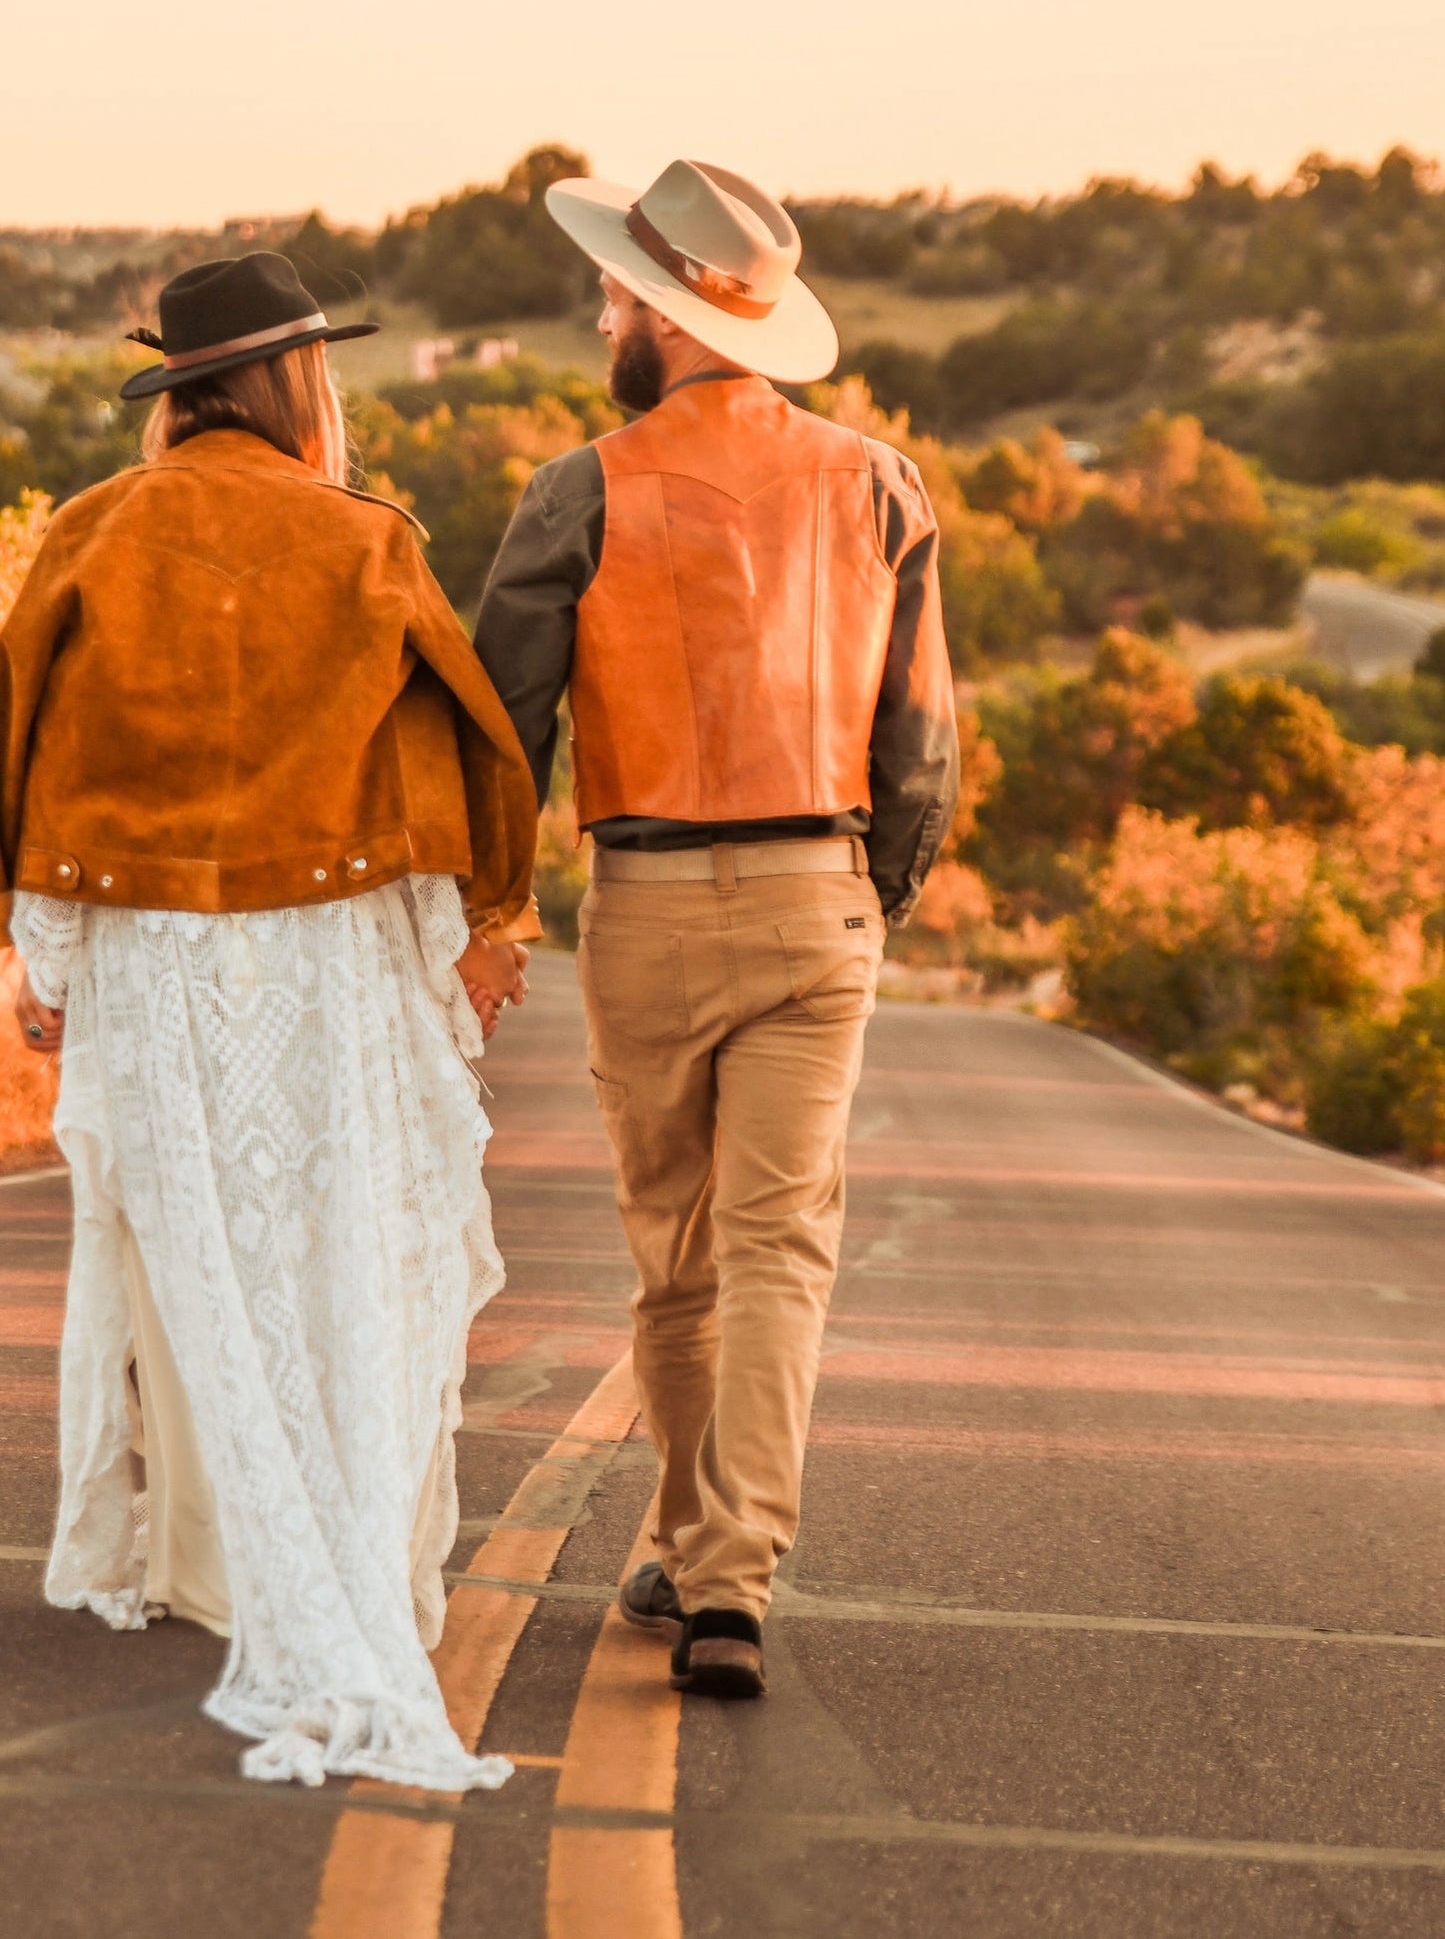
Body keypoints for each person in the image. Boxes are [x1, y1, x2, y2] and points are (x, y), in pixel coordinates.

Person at [3, 252, 539, 1790]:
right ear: (299, 382)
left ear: (179, 393)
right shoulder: (364, 536)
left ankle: (222, 1565)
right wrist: (465, 933)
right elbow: (446, 756)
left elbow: (33, 754)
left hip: (156, 945)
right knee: (344, 1243)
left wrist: (43, 951)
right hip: (330, 944)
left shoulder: (94, 532)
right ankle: (341, 1553)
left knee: (197, 1253)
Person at [476, 160, 959, 1696]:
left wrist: (493, 905)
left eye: (614, 291)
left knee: (676, 1255)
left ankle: (697, 1546)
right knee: (779, 1253)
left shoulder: (581, 485)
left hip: (652, 899)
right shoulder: (880, 482)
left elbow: (500, 729)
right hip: (822, 893)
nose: (601, 310)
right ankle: (726, 1576)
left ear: (660, 315)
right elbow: (922, 748)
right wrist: (864, 897)